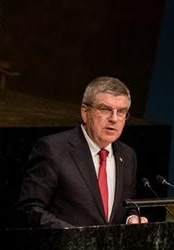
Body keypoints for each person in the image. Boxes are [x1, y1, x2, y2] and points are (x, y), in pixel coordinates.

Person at [17, 76, 148, 227]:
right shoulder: (53, 149)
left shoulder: (128, 155)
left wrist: (130, 218)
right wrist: (74, 236)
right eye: (105, 109)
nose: (114, 118)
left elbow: (126, 205)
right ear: (85, 112)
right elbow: (30, 209)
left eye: (121, 111)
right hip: (65, 248)